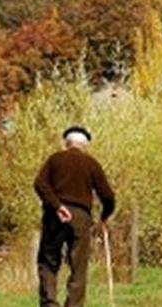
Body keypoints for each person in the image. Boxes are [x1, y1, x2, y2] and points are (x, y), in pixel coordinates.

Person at [34, 126, 116, 307]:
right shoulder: (91, 163)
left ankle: (49, 303)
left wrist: (57, 206)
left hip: (54, 216)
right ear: (85, 145)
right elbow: (108, 196)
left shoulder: (55, 159)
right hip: (81, 217)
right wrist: (103, 217)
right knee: (78, 267)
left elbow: (40, 184)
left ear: (66, 143)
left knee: (48, 262)